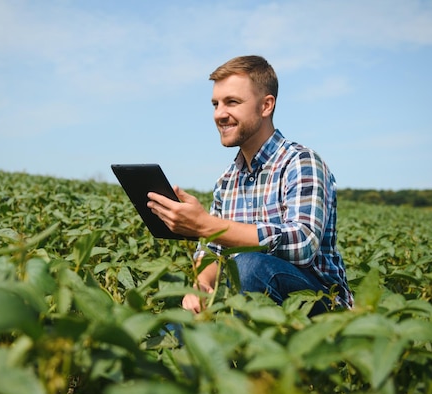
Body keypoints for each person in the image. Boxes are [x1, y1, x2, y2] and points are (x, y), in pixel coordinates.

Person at [147, 55, 353, 315]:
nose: (219, 114)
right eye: (215, 104)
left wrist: (204, 225)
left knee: (249, 266)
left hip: (320, 304)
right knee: (175, 325)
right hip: (247, 296)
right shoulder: (227, 180)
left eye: (232, 102)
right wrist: (200, 286)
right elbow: (212, 249)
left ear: (266, 106)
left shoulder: (301, 162)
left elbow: (302, 244)